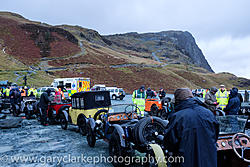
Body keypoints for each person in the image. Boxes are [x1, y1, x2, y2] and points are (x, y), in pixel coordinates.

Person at [164, 88, 219, 167]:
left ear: (178, 100)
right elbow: (215, 136)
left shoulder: (178, 117)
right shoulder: (209, 113)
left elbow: (170, 142)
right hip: (208, 161)